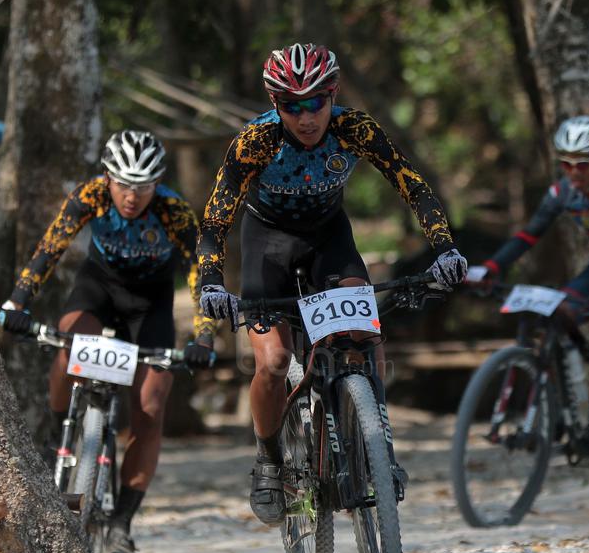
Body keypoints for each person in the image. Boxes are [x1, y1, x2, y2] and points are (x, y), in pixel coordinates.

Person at [195, 43, 468, 525]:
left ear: (333, 95)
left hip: (328, 237)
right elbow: (215, 221)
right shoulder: (254, 142)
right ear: (275, 104)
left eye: (316, 101)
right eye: (292, 106)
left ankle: (379, 448)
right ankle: (268, 460)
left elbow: (412, 185)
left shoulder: (355, 129)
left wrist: (445, 247)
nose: (306, 117)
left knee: (364, 332)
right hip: (267, 240)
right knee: (275, 361)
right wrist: (212, 283)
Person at [0, 130, 215, 553]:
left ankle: (122, 523)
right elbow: (50, 248)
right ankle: (58, 428)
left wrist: (205, 335)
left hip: (150, 305)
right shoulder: (89, 195)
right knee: (68, 339)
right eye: (122, 185)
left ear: (158, 184)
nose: (131, 196)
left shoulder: (174, 211)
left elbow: (200, 273)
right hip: (98, 290)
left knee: (151, 405)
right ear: (107, 177)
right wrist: (17, 301)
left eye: (143, 187)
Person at [467, 115, 589, 441]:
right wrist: (491, 268)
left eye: (583, 164)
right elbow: (529, 236)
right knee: (555, 318)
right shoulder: (561, 192)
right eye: (567, 164)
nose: (574, 172)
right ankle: (567, 407)